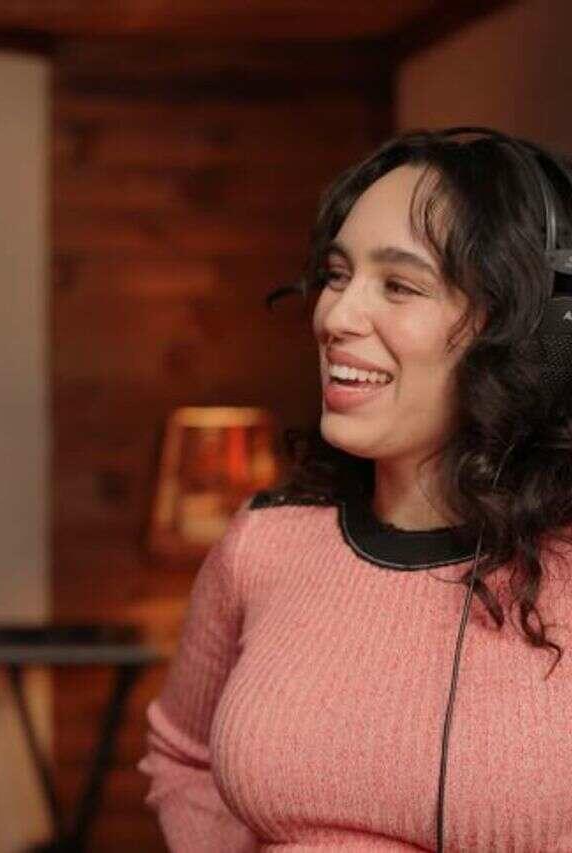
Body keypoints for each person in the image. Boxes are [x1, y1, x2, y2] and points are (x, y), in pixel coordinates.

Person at [139, 127, 572, 851]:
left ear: (534, 335)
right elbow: (183, 756)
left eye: (399, 285)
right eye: (337, 275)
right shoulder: (264, 544)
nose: (334, 317)